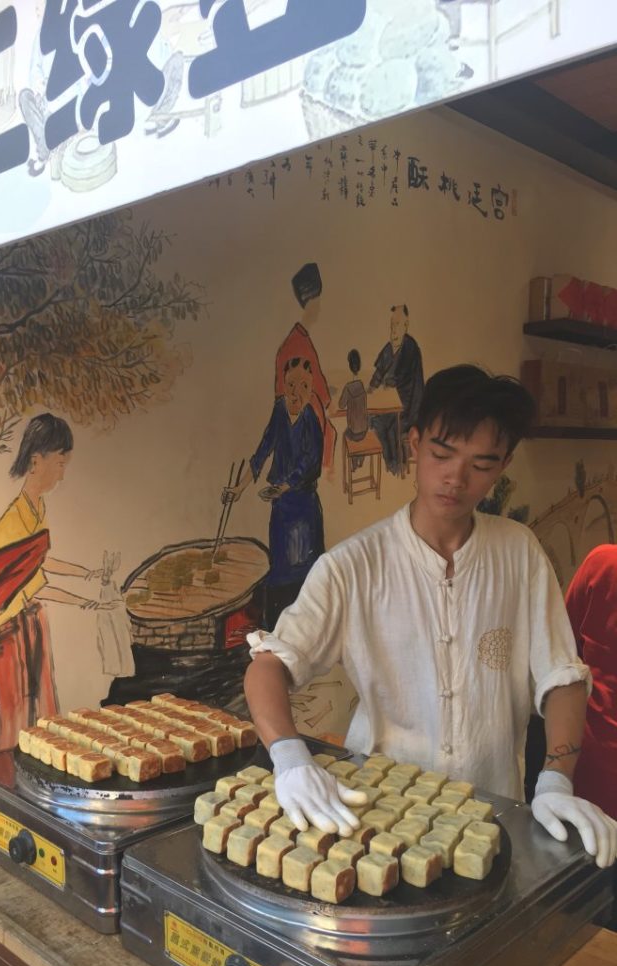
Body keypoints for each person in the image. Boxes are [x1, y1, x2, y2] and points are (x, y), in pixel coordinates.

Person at [243, 364, 617, 869]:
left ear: (502, 464)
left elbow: (560, 675)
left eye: (481, 464)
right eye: (442, 454)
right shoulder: (355, 565)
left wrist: (554, 778)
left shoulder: (519, 553)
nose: (456, 479)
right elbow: (269, 664)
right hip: (376, 818)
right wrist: (288, 758)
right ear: (413, 443)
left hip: (492, 816)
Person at [0, 414, 109, 748]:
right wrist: (85, 601)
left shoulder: (36, 507)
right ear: (37, 460)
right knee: (17, 720)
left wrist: (87, 574)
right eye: (60, 464)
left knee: (44, 716)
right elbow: (35, 582)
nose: (63, 473)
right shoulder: (14, 520)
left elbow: (39, 564)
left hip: (29, 620)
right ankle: (12, 791)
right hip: (5, 633)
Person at [225, 356, 325, 630]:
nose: (296, 392)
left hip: (304, 508)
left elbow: (310, 463)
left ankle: (308, 631)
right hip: (281, 508)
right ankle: (275, 634)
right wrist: (240, 488)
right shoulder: (279, 411)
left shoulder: (311, 421)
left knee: (305, 574)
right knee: (279, 572)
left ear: (311, 386)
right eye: (291, 384)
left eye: (303, 385)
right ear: (283, 385)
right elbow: (262, 450)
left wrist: (287, 485)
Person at [565, 545, 617, 820]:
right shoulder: (604, 564)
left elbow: (564, 654)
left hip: (590, 782)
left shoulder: (604, 564)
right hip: (591, 783)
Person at [274, 263, 336, 470]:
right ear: (310, 305)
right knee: (330, 434)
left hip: (301, 419)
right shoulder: (298, 344)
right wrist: (327, 401)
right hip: (303, 428)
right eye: (317, 303)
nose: (319, 309)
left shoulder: (298, 339)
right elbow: (313, 387)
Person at [369, 304, 424, 476]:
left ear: (406, 325)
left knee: (390, 426)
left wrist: (382, 386)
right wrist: (370, 388)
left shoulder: (410, 348)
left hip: (408, 409)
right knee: (375, 422)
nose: (393, 329)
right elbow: (379, 372)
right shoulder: (390, 347)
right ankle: (390, 463)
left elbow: (394, 380)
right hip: (392, 406)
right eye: (392, 325)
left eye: (398, 324)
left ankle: (395, 465)